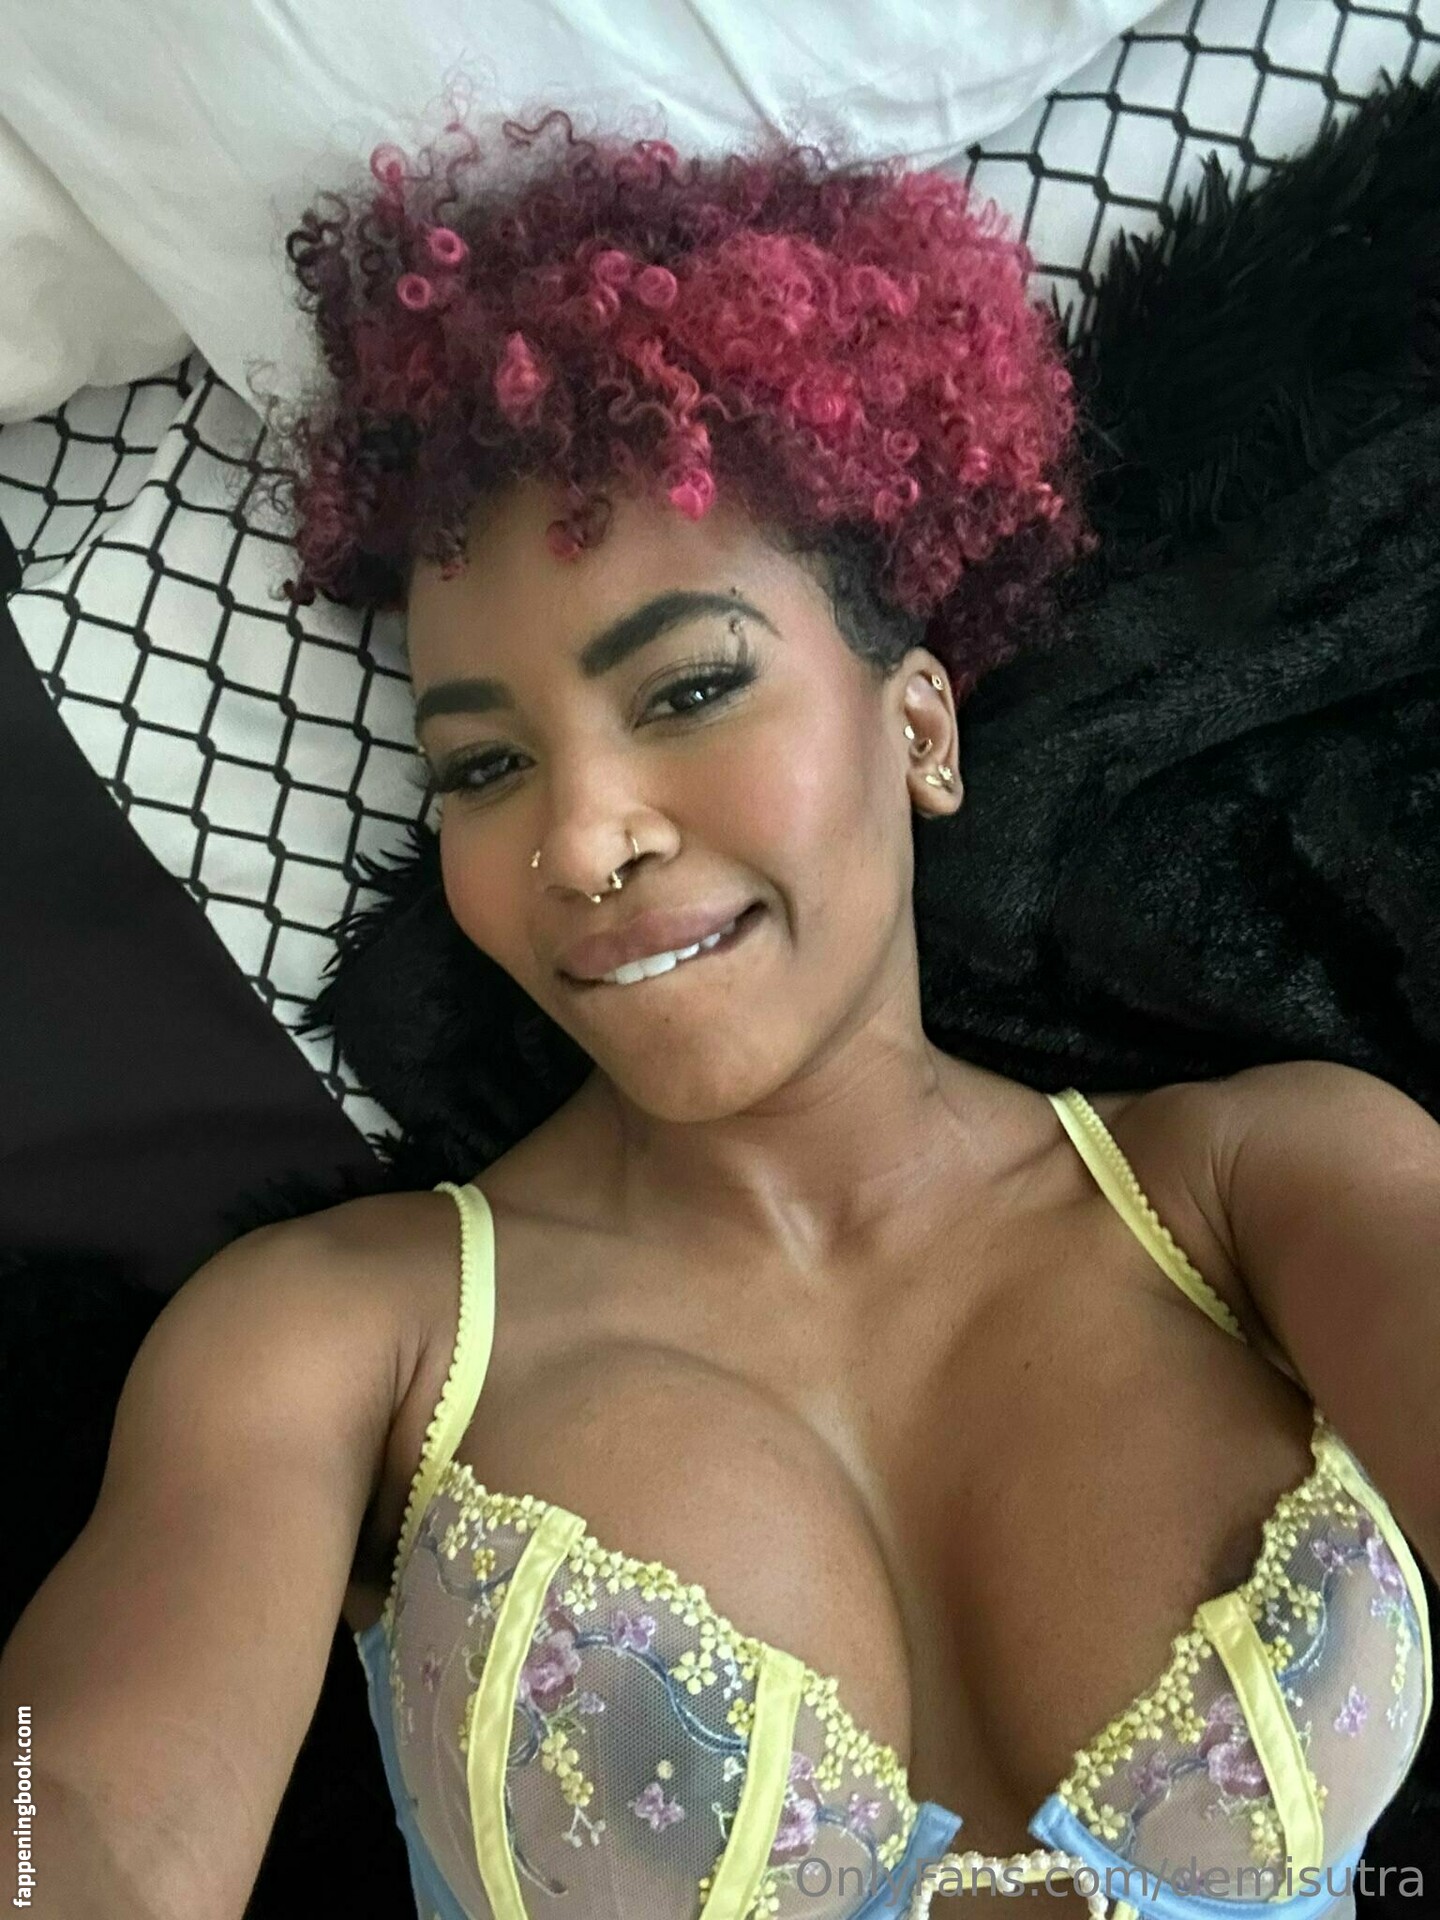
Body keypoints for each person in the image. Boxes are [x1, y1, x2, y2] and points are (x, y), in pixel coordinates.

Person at [2, 113, 1435, 1920]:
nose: (580, 838)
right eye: (484, 767)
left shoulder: (1270, 1191)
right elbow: (78, 1824)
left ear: (920, 726)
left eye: (686, 689)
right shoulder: (341, 1341)